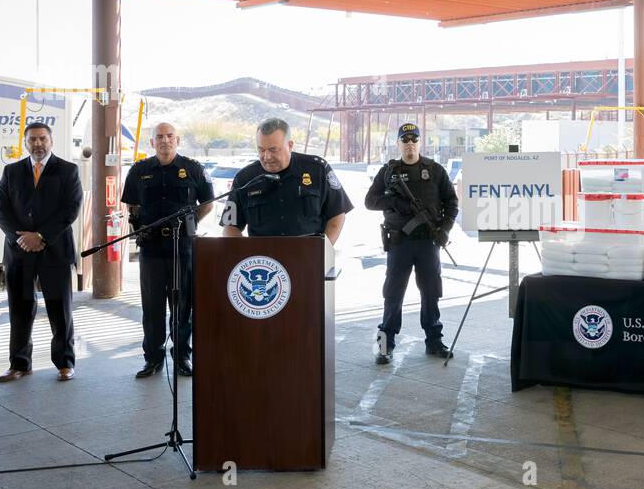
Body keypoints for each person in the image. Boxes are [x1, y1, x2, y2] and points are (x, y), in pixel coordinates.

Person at [0, 121, 83, 382]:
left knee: (59, 308)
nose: (38, 144)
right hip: (19, 252)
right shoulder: (12, 171)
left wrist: (41, 236)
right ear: (25, 142)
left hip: (53, 250)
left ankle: (65, 363)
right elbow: (0, 210)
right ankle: (19, 364)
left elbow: (70, 209)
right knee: (20, 309)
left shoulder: (68, 170)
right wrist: (20, 239)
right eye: (32, 139)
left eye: (42, 138)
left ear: (51, 141)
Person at [121, 122, 214, 378]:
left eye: (169, 136)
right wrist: (139, 224)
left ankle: (182, 356)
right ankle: (153, 358)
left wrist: (190, 225)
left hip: (182, 248)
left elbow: (207, 203)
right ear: (152, 142)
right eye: (159, 137)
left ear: (178, 139)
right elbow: (131, 203)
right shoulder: (139, 170)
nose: (165, 140)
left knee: (182, 305)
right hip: (151, 249)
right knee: (151, 307)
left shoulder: (193, 169)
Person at [364, 123, 458, 364]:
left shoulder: (435, 170)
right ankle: (385, 345)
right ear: (398, 144)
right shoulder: (389, 171)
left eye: (414, 140)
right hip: (399, 242)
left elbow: (452, 203)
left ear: (419, 142)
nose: (410, 144)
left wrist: (444, 230)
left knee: (431, 292)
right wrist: (394, 202)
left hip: (428, 242)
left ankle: (434, 341)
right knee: (393, 294)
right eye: (405, 140)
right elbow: (370, 201)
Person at [222, 117, 352, 241]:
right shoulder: (244, 178)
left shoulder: (317, 169)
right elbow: (230, 226)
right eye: (261, 150)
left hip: (308, 258)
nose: (266, 157)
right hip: (263, 262)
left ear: (290, 145)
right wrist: (244, 254)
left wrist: (323, 251)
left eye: (273, 150)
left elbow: (337, 214)